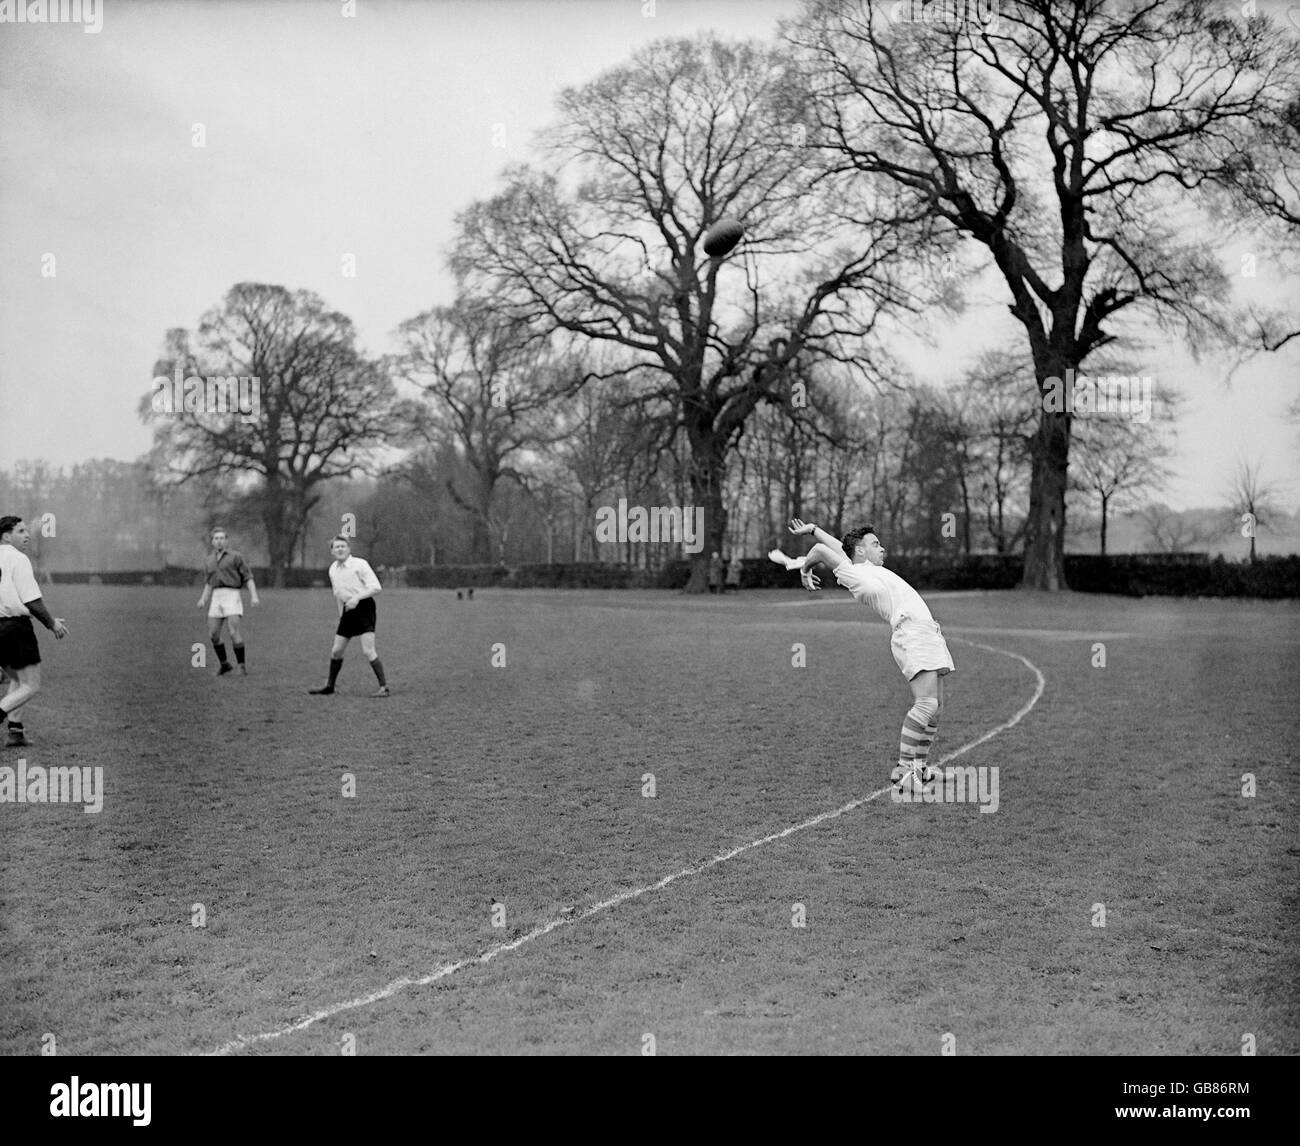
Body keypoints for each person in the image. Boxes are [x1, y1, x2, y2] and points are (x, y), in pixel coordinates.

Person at [770, 517, 954, 791]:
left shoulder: (864, 567)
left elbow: (839, 546)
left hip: (927, 632)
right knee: (926, 705)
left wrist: (813, 530)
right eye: (876, 544)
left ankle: (920, 768)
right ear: (861, 551)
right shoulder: (855, 574)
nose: (883, 549)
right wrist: (805, 569)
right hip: (912, 633)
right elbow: (821, 552)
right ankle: (903, 773)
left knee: (934, 708)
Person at [0, 516, 70, 748]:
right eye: (20, 531)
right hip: (15, 630)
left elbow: (11, 599)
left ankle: (15, 732)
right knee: (30, 685)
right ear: (6, 536)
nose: (27, 535)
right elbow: (31, 600)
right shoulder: (18, 559)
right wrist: (52, 624)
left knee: (17, 679)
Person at [309, 536, 389, 697]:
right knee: (336, 651)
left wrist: (357, 598)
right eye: (336, 547)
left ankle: (383, 688)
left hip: (364, 608)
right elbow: (338, 594)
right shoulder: (333, 569)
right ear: (332, 551)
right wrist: (341, 615)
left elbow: (376, 588)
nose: (340, 549)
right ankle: (330, 686)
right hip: (348, 611)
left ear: (348, 548)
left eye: (342, 546)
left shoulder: (360, 564)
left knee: (368, 650)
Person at [197, 527, 259, 675]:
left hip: (232, 595)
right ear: (212, 542)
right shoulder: (209, 560)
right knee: (213, 634)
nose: (219, 541)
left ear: (226, 540)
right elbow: (209, 583)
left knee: (233, 631)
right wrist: (203, 598)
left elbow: (248, 577)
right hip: (216, 598)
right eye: (216, 538)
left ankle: (241, 666)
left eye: (222, 538)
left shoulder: (235, 557)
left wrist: (254, 596)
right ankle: (224, 664)